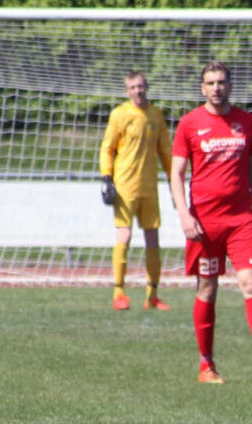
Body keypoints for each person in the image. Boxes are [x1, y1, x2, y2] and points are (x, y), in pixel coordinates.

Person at [170, 61, 252, 385]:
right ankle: (206, 366)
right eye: (210, 82)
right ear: (202, 88)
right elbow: (176, 173)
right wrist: (184, 214)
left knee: (251, 284)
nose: (216, 87)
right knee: (208, 288)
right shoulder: (190, 123)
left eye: (221, 82)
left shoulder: (246, 122)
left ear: (230, 85)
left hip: (241, 220)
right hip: (204, 224)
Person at [99, 70, 173, 311]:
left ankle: (152, 296)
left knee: (153, 237)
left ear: (146, 87)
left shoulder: (156, 114)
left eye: (140, 86)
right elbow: (107, 147)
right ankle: (119, 293)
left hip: (149, 186)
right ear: (127, 91)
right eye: (133, 87)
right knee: (125, 234)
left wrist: (173, 179)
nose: (137, 91)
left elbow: (165, 150)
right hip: (124, 186)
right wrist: (106, 177)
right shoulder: (119, 114)